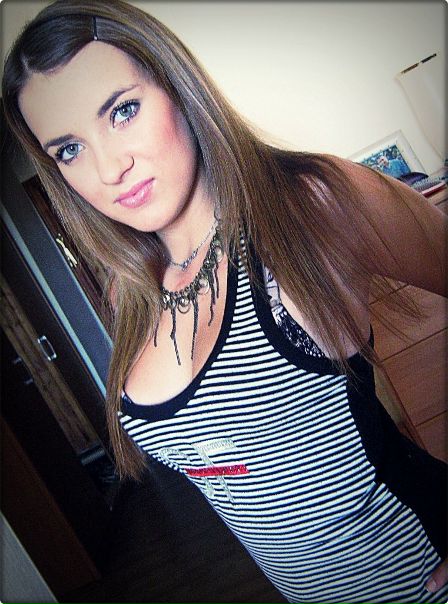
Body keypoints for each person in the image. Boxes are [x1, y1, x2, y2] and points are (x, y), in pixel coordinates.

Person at [2, 1, 447, 601]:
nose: (109, 168)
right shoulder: (132, 289)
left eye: (123, 111)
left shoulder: (304, 208)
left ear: (176, 86)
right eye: (69, 150)